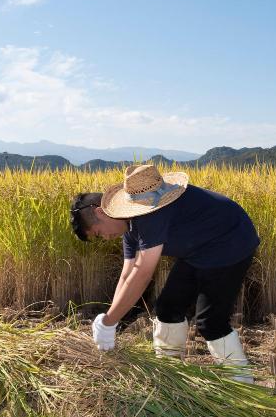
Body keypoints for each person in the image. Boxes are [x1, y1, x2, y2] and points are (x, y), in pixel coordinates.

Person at [70, 164, 260, 382]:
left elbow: (142, 274)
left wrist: (109, 322)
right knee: (167, 308)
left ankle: (243, 385)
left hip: (232, 241)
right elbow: (127, 275)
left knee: (210, 322)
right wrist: (109, 319)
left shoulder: (149, 212)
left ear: (100, 213)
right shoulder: (129, 227)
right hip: (199, 250)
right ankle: (169, 375)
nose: (104, 238)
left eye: (98, 233)